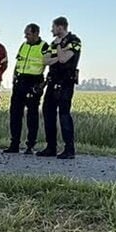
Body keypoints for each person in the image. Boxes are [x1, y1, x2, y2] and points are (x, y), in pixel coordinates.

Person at [37, 16, 81, 158]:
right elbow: (45, 60)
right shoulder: (52, 43)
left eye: (53, 27)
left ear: (60, 27)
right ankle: (51, 147)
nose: (52, 30)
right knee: (48, 113)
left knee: (63, 115)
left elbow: (63, 59)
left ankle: (69, 149)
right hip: (52, 82)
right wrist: (56, 55)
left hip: (65, 83)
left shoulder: (74, 41)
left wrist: (59, 46)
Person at [4, 23, 47, 154]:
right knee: (15, 113)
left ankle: (30, 145)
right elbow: (18, 63)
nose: (25, 36)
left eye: (28, 33)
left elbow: (50, 63)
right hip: (20, 81)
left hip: (33, 82)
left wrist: (42, 84)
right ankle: (14, 144)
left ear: (36, 34)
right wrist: (14, 78)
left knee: (32, 115)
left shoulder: (44, 46)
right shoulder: (23, 45)